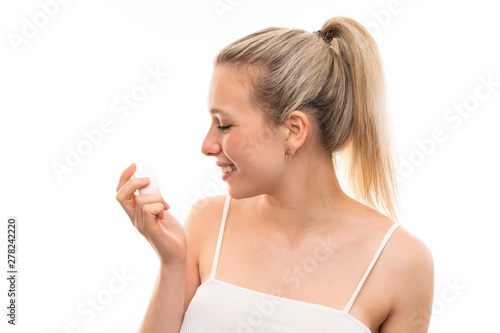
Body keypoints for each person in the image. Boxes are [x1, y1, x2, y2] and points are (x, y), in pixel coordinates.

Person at [116, 16, 434, 333]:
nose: (207, 145)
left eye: (224, 125)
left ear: (293, 130)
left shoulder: (402, 262)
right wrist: (173, 264)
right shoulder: (208, 222)